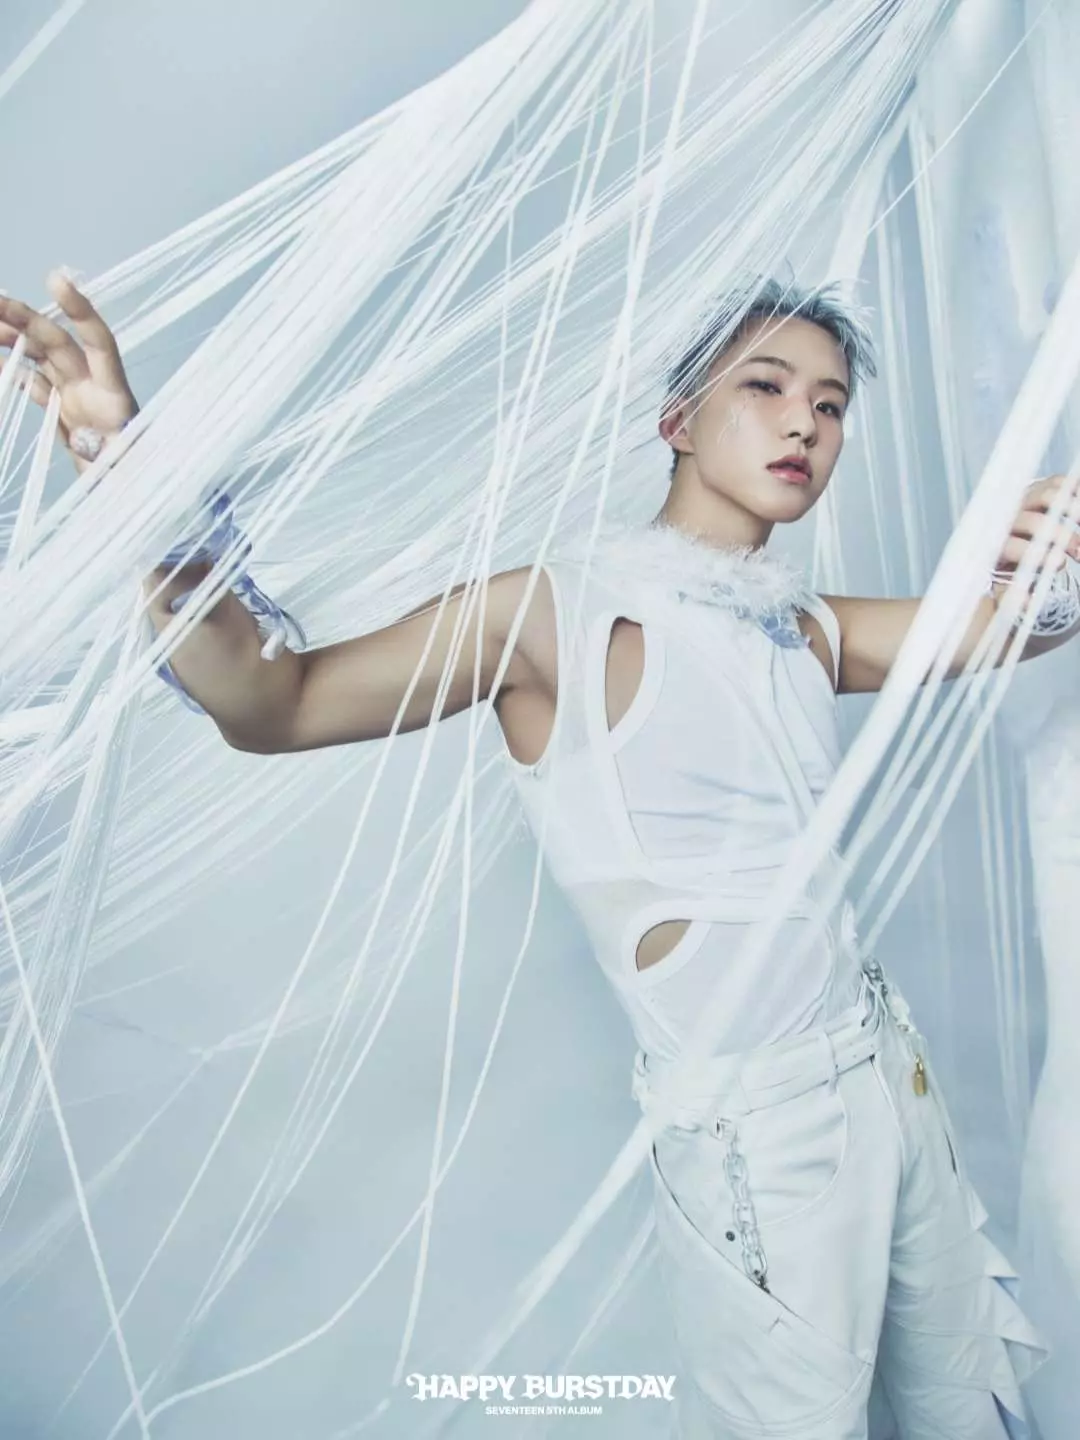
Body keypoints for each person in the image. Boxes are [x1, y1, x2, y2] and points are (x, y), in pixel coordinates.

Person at [2, 270, 1076, 1438]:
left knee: (968, 1409)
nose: (804, 423)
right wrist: (135, 479)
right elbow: (275, 701)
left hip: (889, 1080)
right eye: (766, 387)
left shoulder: (807, 627)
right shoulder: (547, 616)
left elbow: (1007, 627)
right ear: (678, 420)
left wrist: (1059, 555)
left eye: (829, 405)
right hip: (761, 1137)